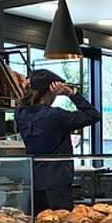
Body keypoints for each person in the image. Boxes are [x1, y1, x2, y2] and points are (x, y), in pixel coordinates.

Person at [14, 69, 101, 212]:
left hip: (34, 182)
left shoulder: (21, 114)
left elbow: (24, 104)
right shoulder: (56, 116)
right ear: (51, 90)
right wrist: (71, 94)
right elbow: (93, 115)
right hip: (58, 184)